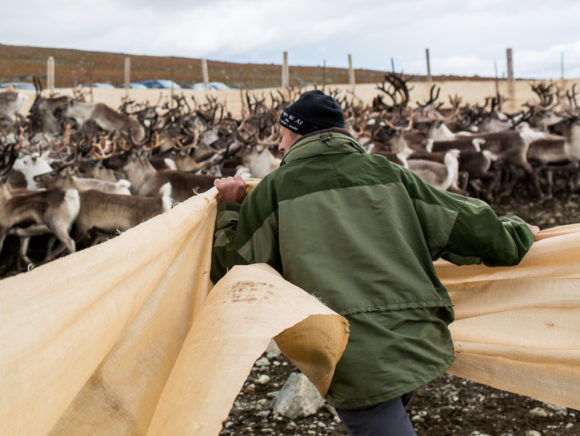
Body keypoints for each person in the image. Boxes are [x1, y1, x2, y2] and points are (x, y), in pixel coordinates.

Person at [211, 90, 538, 436]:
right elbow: (464, 224)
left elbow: (235, 273)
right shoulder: (389, 173)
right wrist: (517, 233)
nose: (279, 147)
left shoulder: (274, 190)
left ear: (301, 135)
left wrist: (230, 209)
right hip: (415, 336)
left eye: (283, 136)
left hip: (348, 351)